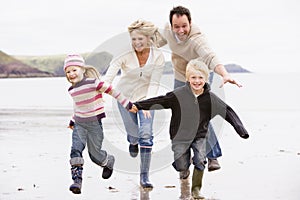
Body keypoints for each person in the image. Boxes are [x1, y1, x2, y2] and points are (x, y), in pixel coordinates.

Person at [131, 59, 249, 199]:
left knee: (200, 160)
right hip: (179, 137)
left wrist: (241, 130)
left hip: (200, 135)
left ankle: (196, 190)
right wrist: (138, 105)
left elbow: (227, 111)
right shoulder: (178, 95)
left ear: (206, 79)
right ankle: (183, 168)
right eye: (193, 77)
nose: (197, 81)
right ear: (187, 78)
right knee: (181, 165)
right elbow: (160, 101)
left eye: (200, 78)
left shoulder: (210, 98)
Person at [162, 5, 242, 172]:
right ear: (171, 25)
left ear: (190, 23)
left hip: (200, 74)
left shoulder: (196, 39)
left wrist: (224, 74)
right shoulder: (168, 32)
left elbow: (211, 56)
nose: (181, 30)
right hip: (179, 74)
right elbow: (156, 40)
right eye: (176, 26)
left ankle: (212, 156)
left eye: (184, 25)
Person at [104, 19, 165, 189]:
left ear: (149, 38)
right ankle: (132, 141)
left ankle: (144, 176)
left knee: (146, 134)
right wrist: (102, 89)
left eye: (140, 39)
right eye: (133, 39)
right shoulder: (123, 52)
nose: (137, 43)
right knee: (134, 135)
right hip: (124, 99)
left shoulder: (158, 56)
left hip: (146, 98)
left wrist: (146, 105)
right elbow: (110, 75)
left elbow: (154, 83)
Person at [63, 54, 134, 194]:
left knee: (94, 155)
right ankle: (77, 181)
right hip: (79, 124)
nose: (71, 74)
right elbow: (78, 107)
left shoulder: (94, 83)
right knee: (75, 150)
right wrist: (72, 120)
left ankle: (108, 161)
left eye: (74, 70)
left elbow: (114, 92)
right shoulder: (72, 90)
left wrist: (127, 104)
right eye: (68, 72)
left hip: (95, 123)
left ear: (82, 69)